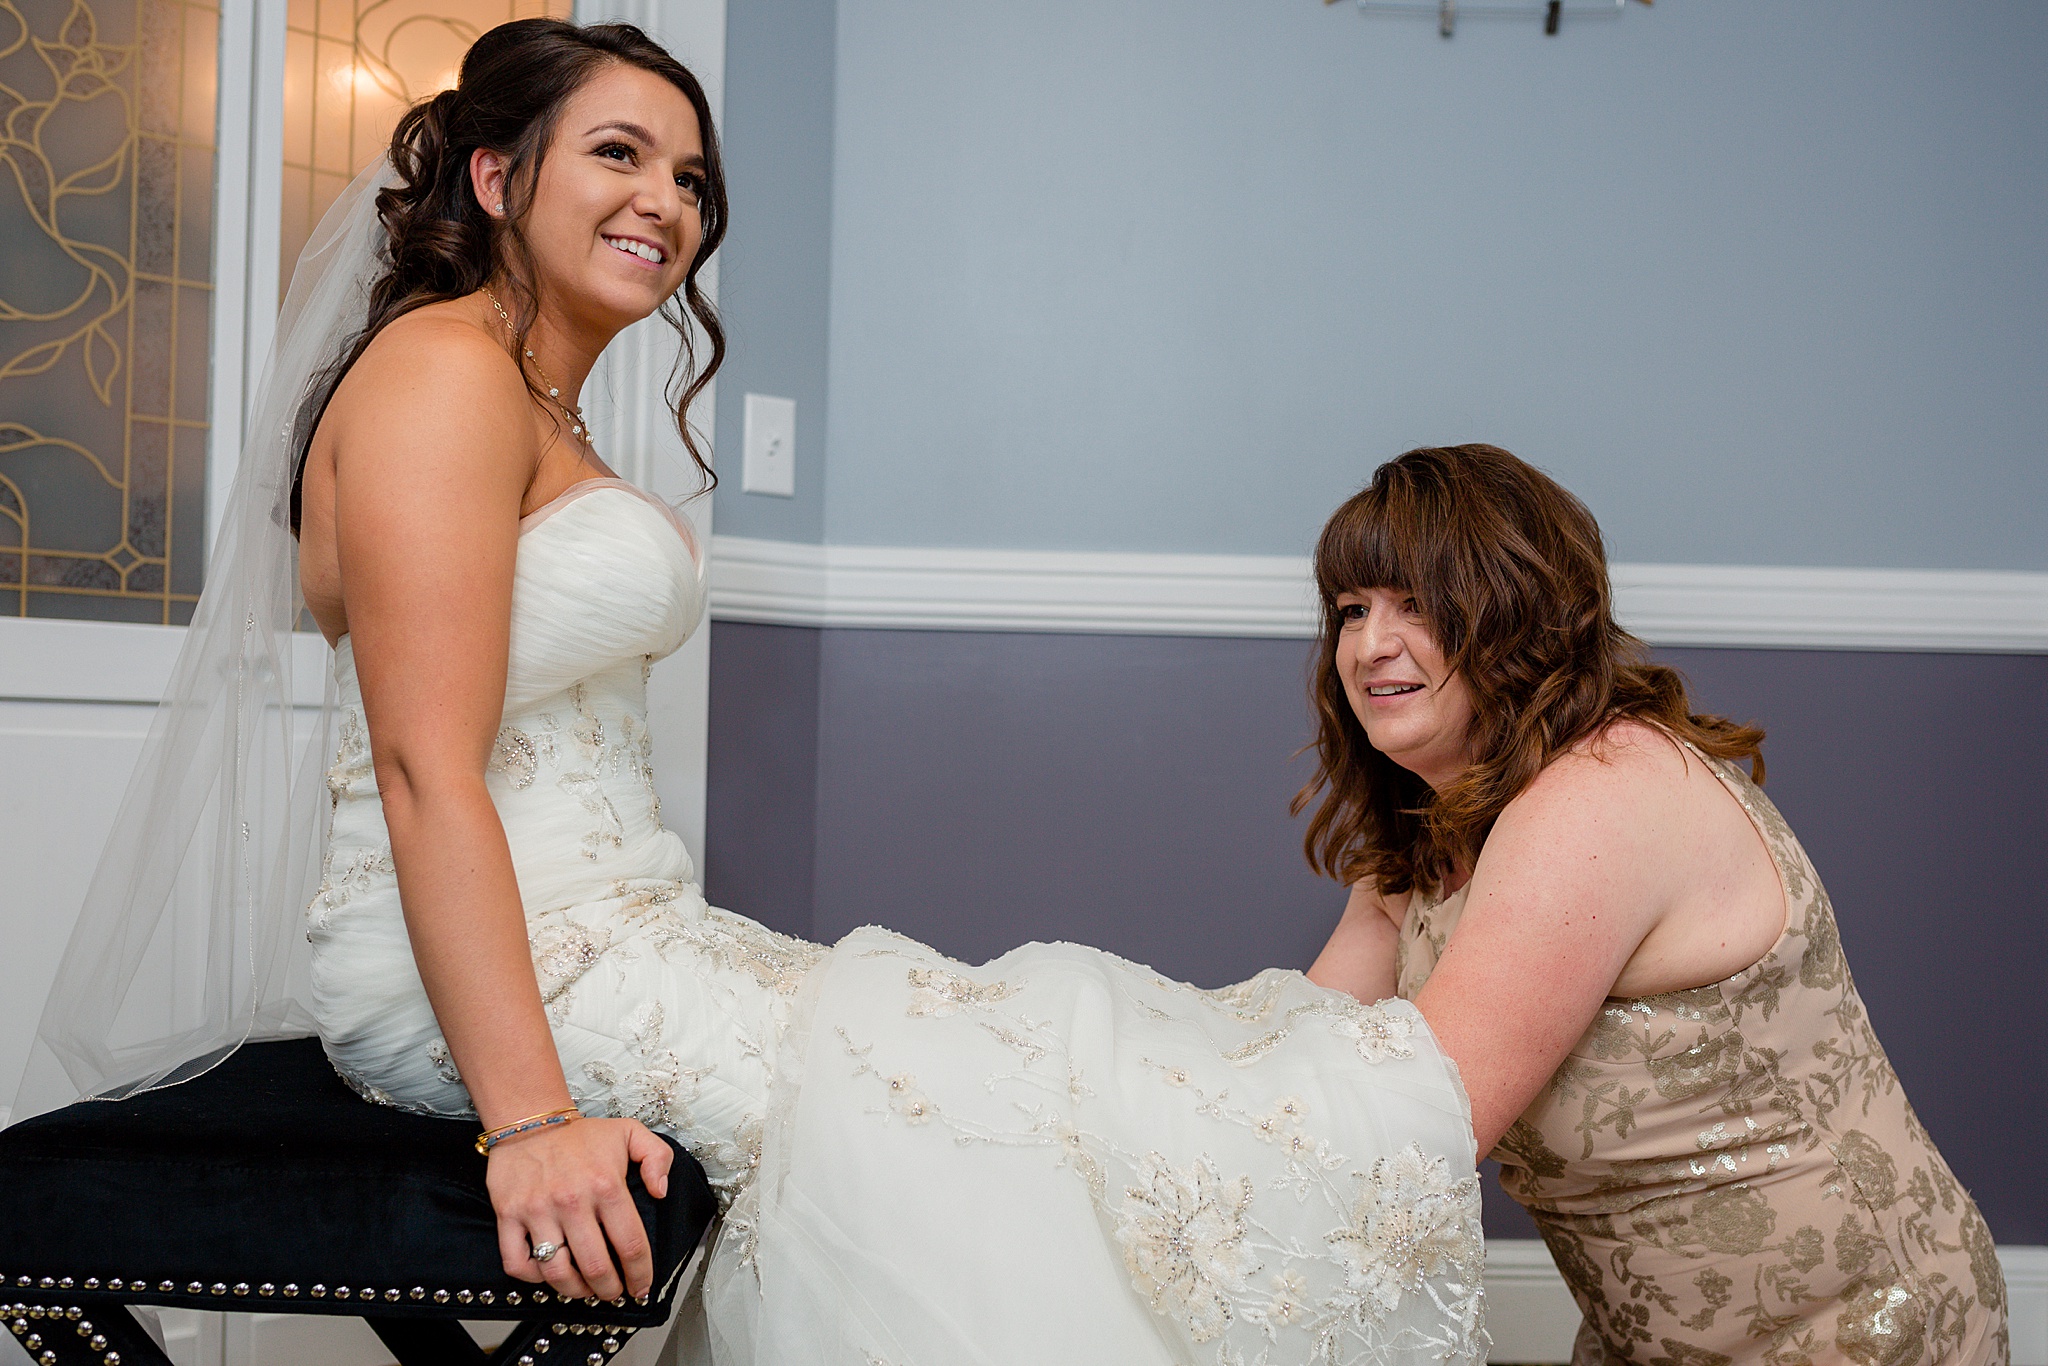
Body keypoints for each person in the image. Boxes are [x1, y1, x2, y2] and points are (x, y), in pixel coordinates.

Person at [16, 20, 1489, 1366]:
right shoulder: (439, 374)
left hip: (624, 928)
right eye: (618, 153)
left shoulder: (531, 398)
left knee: (1004, 1039)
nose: (668, 201)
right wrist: (529, 1120)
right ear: (496, 173)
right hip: (482, 960)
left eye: (693, 178)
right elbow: (422, 766)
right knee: (961, 1121)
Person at [1298, 445, 2008, 1366]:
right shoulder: (1425, 841)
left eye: (1416, 605)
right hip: (1652, 1340)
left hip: (1852, 1327)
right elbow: (1306, 1053)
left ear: (1518, 612)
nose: (1368, 645)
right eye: (1352, 610)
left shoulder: (1599, 796)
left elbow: (1418, 1134)